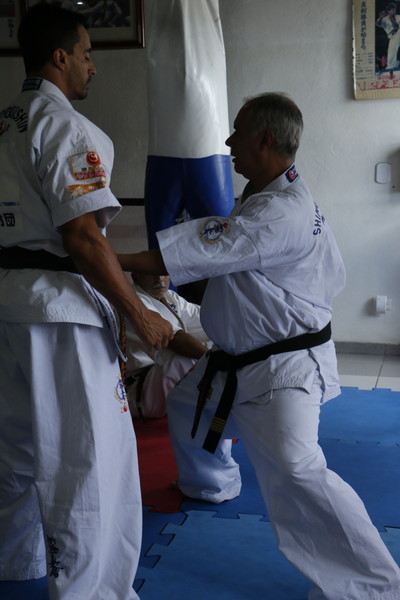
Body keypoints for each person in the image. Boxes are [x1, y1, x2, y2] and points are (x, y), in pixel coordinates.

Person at [121, 93, 400, 599]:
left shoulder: (279, 210)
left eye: (238, 133)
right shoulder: (267, 192)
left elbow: (198, 250)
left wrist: (104, 256)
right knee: (186, 405)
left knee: (297, 471)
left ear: (266, 139)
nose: (229, 142)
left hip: (283, 367)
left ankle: (374, 584)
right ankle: (213, 484)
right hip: (239, 359)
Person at [0, 4, 173, 600]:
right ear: (60, 57)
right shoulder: (62, 126)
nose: (92, 66)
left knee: (15, 447)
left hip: (8, 304)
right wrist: (137, 312)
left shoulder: (6, 121)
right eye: (86, 53)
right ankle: (89, 592)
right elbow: (82, 236)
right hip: (57, 315)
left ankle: (16, 563)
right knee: (86, 459)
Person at [124, 272, 211, 419]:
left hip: (162, 382)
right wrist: (213, 359)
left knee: (219, 342)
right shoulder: (134, 301)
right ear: (135, 276)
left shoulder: (170, 297)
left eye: (163, 273)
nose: (160, 279)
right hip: (140, 391)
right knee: (186, 356)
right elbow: (175, 340)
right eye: (151, 273)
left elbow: (207, 321)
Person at [376, 3, 400, 70]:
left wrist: (391, 18)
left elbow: (396, 26)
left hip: (398, 33)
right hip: (393, 36)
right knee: (391, 51)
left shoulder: (398, 16)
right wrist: (380, 18)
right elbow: (378, 24)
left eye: (395, 10)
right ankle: (392, 65)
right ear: (388, 11)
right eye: (392, 10)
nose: (394, 11)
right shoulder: (384, 19)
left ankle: (394, 64)